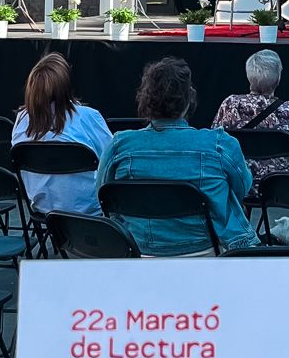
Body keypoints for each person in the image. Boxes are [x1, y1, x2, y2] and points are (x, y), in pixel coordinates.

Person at [96, 58, 256, 254]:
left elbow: (102, 195)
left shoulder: (120, 145)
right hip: (205, 248)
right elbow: (243, 188)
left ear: (145, 99)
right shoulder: (220, 144)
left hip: (137, 248)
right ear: (189, 100)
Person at [11, 54, 112, 216]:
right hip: (89, 210)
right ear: (66, 87)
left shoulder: (22, 120)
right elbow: (111, 158)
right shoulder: (88, 117)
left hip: (43, 209)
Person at [210, 49, 289, 180]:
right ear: (278, 79)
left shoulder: (230, 104)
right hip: (282, 186)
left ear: (249, 76)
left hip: (239, 184)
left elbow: (214, 143)